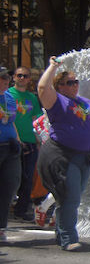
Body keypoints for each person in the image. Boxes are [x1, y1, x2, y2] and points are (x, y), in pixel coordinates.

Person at [36, 57, 90, 251]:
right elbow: (42, 88)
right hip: (64, 155)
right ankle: (68, 238)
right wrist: (53, 67)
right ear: (59, 86)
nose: (75, 85)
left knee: (69, 197)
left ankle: (61, 233)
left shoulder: (85, 102)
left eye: (76, 81)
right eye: (70, 82)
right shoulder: (57, 101)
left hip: (84, 156)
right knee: (72, 197)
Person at [9, 66, 43, 221]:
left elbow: (37, 120)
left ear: (30, 79)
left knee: (27, 178)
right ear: (14, 77)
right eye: (19, 75)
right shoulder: (8, 95)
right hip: (11, 141)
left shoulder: (32, 98)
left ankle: (21, 210)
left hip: (30, 141)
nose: (22, 78)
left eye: (25, 76)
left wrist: (39, 140)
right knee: (12, 177)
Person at [0, 65, 21, 241]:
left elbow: (11, 122)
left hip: (10, 146)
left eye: (6, 78)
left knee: (9, 186)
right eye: (1, 78)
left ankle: (1, 228)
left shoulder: (9, 98)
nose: (5, 81)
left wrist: (18, 139)